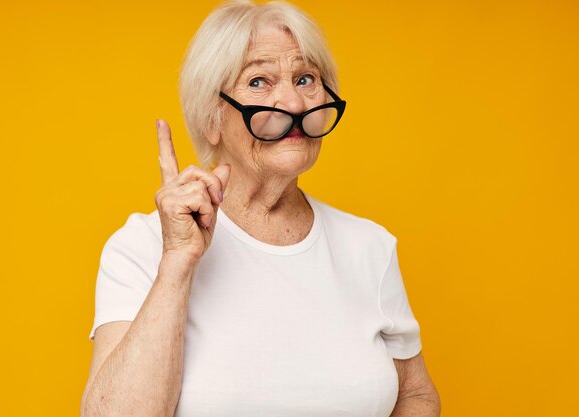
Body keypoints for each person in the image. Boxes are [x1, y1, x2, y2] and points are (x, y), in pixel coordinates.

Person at [80, 1, 440, 416]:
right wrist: (178, 262)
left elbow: (415, 394)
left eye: (305, 78)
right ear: (212, 118)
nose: (292, 101)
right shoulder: (142, 248)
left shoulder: (370, 247)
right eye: (259, 81)